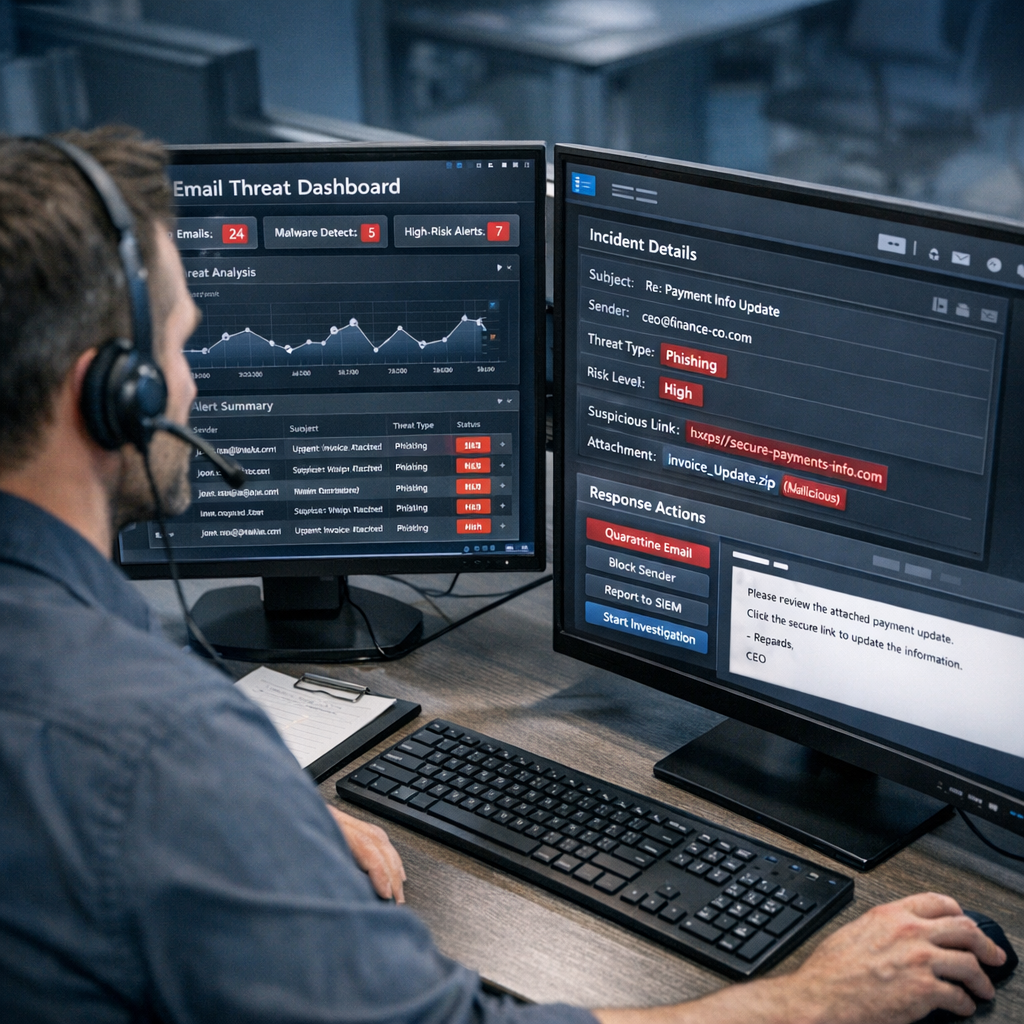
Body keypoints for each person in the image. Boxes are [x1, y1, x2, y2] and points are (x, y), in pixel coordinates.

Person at [0, 127, 1006, 1024]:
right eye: (182, 347)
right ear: (112, 397)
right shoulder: (159, 751)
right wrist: (813, 1001)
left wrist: (249, 827)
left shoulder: (108, 704)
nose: (191, 385)